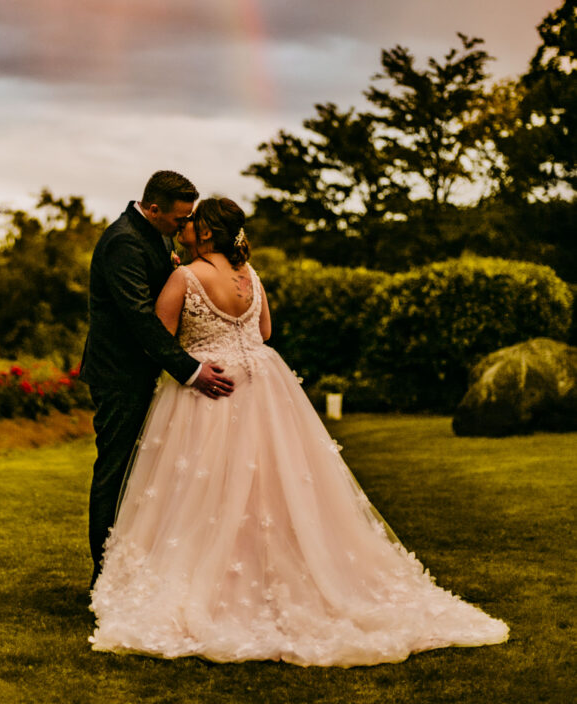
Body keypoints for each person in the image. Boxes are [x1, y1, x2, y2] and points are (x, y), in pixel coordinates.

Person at [90, 197, 509, 667]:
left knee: (204, 486)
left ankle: (214, 580)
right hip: (262, 386)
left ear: (206, 233)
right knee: (269, 484)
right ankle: (274, 573)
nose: (185, 227)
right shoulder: (252, 277)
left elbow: (159, 337)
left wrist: (196, 349)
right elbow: (265, 331)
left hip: (207, 387)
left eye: (193, 222)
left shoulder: (185, 276)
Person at [80, 172, 234, 588]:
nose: (184, 227)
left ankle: (138, 569)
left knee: (145, 474)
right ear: (153, 208)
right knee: (116, 470)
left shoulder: (158, 234)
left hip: (150, 373)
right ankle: (104, 576)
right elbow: (140, 320)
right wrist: (192, 370)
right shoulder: (123, 242)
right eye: (178, 218)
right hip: (120, 374)